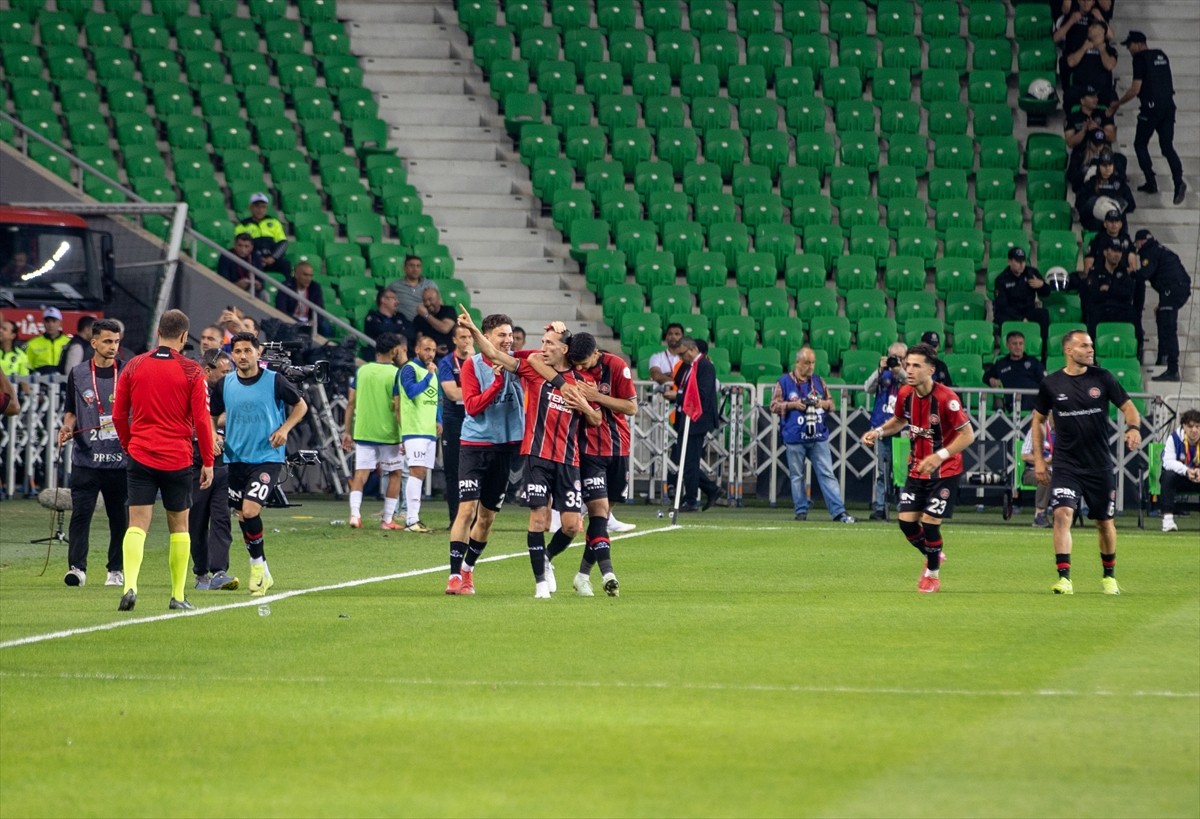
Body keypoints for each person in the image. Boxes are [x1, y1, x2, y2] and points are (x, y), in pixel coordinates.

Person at [458, 314, 601, 598]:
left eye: (549, 342)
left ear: (564, 349)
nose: (542, 347)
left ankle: (546, 558)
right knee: (538, 519)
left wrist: (583, 404)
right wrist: (474, 328)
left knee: (572, 526)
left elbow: (596, 419)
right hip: (536, 455)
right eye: (542, 342)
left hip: (569, 459)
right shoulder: (532, 365)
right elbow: (493, 352)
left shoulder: (582, 380)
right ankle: (539, 586)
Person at [111, 309, 215, 612]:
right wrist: (207, 460)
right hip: (177, 459)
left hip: (141, 455)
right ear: (184, 336)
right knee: (179, 526)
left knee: (137, 524)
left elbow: (118, 414)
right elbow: (201, 418)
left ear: (158, 332)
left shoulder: (134, 365)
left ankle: (130, 585)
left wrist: (130, 445)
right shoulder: (193, 371)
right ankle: (178, 595)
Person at [1032, 330, 1141, 594]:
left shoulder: (1103, 378)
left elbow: (1128, 407)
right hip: (1066, 465)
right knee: (1062, 514)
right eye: (1084, 345)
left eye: (1091, 345)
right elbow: (1038, 419)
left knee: (1104, 522)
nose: (1090, 349)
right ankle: (1064, 578)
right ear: (1069, 350)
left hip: (1099, 465)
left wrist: (1133, 427)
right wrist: (1039, 460)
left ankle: (1109, 576)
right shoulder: (1052, 383)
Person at [862, 343, 976, 593]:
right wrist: (879, 431)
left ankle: (932, 574)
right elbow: (900, 420)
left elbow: (968, 435)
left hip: (945, 471)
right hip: (917, 469)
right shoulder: (905, 393)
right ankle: (934, 554)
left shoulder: (947, 398)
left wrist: (940, 455)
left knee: (931, 522)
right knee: (906, 524)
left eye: (916, 365)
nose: (909, 370)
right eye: (907, 365)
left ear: (931, 370)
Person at [211, 331, 308, 597]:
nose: (242, 356)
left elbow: (301, 406)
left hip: (267, 458)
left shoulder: (275, 381)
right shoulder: (224, 384)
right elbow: (211, 415)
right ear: (232, 355)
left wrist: (285, 429)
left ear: (258, 353)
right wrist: (212, 435)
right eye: (238, 351)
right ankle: (264, 570)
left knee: (251, 510)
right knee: (242, 514)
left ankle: (255, 567)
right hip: (234, 458)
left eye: (247, 350)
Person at [443, 313, 525, 595]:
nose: (508, 340)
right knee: (467, 509)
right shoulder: (472, 365)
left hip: (504, 448)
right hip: (474, 445)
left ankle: (468, 570)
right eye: (502, 335)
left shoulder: (518, 363)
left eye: (511, 335)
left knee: (487, 517)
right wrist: (496, 386)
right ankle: (454, 575)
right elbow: (473, 407)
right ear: (486, 337)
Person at [563, 332, 638, 597]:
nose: (580, 368)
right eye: (576, 363)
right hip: (587, 451)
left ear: (596, 353)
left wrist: (596, 396)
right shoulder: (571, 366)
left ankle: (582, 575)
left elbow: (630, 408)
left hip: (618, 449)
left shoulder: (616, 366)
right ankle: (608, 573)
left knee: (602, 518)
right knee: (599, 510)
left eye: (584, 363)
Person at [57, 318, 127, 588]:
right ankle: (77, 568)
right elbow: (71, 410)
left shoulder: (128, 372)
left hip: (119, 459)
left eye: (116, 341)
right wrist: (66, 426)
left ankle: (116, 569)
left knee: (119, 517)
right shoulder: (78, 373)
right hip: (86, 458)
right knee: (81, 514)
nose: (113, 347)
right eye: (107, 341)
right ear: (94, 342)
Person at [770, 347, 856, 524]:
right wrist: (793, 405)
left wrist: (821, 403)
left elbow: (832, 405)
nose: (810, 367)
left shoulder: (818, 381)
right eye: (807, 363)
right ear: (798, 363)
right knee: (797, 476)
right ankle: (801, 511)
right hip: (795, 436)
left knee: (827, 474)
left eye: (813, 362)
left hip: (818, 436)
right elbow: (773, 406)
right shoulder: (784, 382)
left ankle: (838, 512)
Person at [1110, 31, 1186, 204]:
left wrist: (1117, 104)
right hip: (1168, 106)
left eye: (1129, 46)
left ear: (1138, 43)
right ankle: (1178, 181)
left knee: (1140, 143)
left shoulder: (1140, 59)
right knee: (1167, 147)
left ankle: (1151, 181)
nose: (1129, 50)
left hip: (1151, 109)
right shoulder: (1161, 55)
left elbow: (1135, 89)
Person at [342, 333, 405, 530]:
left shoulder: (362, 371)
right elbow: (397, 408)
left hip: (363, 430)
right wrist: (404, 436)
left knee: (361, 473)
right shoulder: (396, 373)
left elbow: (350, 402)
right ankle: (387, 519)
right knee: (395, 473)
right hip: (389, 433)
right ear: (394, 350)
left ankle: (354, 514)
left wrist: (347, 431)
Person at [190, 349, 239, 592]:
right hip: (196, 464)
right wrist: (205, 440)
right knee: (197, 520)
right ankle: (200, 572)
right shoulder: (191, 390)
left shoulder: (231, 392)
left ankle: (219, 570)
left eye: (230, 372)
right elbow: (186, 424)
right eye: (224, 372)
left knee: (221, 518)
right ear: (208, 371)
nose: (229, 376)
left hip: (222, 465)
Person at [665, 337, 722, 512]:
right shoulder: (689, 367)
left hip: (697, 419)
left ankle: (693, 498)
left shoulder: (705, 367)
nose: (681, 357)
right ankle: (705, 492)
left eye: (683, 353)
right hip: (687, 417)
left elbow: (702, 395)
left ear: (692, 349)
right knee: (685, 460)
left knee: (689, 460)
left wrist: (678, 397)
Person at [397, 334, 441, 533]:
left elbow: (435, 397)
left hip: (428, 431)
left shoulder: (431, 370)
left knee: (421, 473)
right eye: (427, 350)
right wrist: (429, 376)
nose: (430, 354)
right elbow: (411, 391)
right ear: (417, 350)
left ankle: (414, 517)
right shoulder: (409, 369)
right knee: (415, 472)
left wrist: (438, 420)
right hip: (414, 429)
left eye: (433, 350)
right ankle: (410, 520)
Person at [1134, 229, 1191, 382]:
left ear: (1140, 242)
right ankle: (1163, 358)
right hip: (1177, 288)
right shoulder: (1159, 249)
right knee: (1162, 318)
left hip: (1171, 290)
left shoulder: (1149, 251)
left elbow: (1146, 273)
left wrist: (1130, 274)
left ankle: (1172, 368)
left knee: (1168, 327)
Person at [865, 341, 907, 520]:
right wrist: (879, 370)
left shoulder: (909, 375)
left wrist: (900, 371)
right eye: (893, 357)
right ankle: (881, 507)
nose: (896, 361)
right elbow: (867, 388)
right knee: (882, 471)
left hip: (903, 429)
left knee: (902, 472)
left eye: (900, 358)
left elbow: (915, 386)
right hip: (883, 427)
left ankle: (903, 508)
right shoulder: (884, 375)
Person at [439, 324, 473, 527]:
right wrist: (476, 395)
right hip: (454, 422)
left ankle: (475, 519)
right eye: (462, 337)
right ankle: (455, 519)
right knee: (453, 472)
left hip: (476, 422)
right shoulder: (446, 363)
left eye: (469, 337)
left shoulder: (479, 361)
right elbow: (451, 393)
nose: (466, 341)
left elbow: (487, 386)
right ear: (454, 340)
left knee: (476, 472)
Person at [992, 247, 1050, 349]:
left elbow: (1046, 293)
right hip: (1010, 313)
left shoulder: (1031, 273)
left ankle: (1042, 350)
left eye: (1023, 261)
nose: (1021, 264)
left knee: (1043, 314)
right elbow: (1003, 305)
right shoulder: (1002, 279)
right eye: (1018, 261)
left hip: (1027, 310)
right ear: (1009, 261)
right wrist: (1021, 319)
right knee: (1002, 317)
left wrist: (1042, 285)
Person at [1088, 236, 1138, 343]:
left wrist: (1109, 289)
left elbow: (1127, 295)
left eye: (1119, 251)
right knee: (1092, 316)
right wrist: (1116, 292)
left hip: (1120, 309)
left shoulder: (1124, 273)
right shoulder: (1095, 272)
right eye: (1114, 250)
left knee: (1133, 315)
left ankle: (1136, 352)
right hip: (1102, 309)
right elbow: (1094, 295)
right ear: (1105, 252)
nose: (1117, 255)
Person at [1076, 150, 1136, 232]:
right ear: (1099, 166)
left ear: (1113, 166)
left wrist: (1117, 205)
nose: (1107, 168)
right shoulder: (1091, 183)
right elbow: (1080, 204)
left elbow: (1131, 205)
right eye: (1104, 165)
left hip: (1117, 224)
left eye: (1110, 165)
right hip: (1096, 223)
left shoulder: (1120, 184)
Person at [1160, 409, 1200, 533]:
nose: (1194, 430)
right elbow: (1167, 462)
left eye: (1198, 426)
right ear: (1183, 426)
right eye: (1190, 426)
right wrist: (1186, 470)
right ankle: (1168, 520)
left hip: (1198, 478)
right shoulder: (1174, 438)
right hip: (1181, 478)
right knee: (1167, 475)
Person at [233, 192, 291, 278]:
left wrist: (273, 258)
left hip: (272, 259)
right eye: (257, 206)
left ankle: (289, 289)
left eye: (263, 207)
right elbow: (241, 248)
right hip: (253, 260)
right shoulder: (242, 226)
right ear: (251, 207)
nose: (260, 210)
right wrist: (258, 259)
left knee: (287, 265)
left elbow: (283, 243)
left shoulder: (274, 223)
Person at [985, 331, 1046, 412]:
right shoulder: (1001, 364)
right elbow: (986, 377)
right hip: (1012, 404)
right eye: (1014, 344)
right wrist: (991, 379)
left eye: (1021, 344)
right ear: (1007, 345)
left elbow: (1044, 382)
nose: (1018, 347)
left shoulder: (1034, 362)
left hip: (1033, 406)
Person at [1064, 19, 1117, 104]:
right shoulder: (1079, 45)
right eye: (1090, 26)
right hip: (1081, 87)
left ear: (1102, 31)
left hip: (1101, 89)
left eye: (1094, 26)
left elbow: (1109, 66)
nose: (1090, 28)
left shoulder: (1109, 50)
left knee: (1113, 99)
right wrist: (1083, 48)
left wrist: (1102, 50)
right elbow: (1071, 62)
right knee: (1069, 95)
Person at [274, 260, 331, 336]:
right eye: (305, 275)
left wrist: (314, 321)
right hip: (292, 319)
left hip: (309, 320)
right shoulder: (287, 286)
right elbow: (281, 309)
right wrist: (300, 323)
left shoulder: (315, 287)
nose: (308, 279)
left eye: (311, 275)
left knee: (325, 326)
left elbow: (319, 309)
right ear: (296, 275)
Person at [1021, 415, 1055, 528]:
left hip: (1058, 471)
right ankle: (1039, 514)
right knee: (1045, 477)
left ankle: (1062, 515)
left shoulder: (1065, 431)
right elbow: (1025, 456)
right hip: (1033, 471)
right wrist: (1043, 461)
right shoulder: (1036, 430)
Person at [363, 287, 413, 356]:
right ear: (384, 300)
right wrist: (401, 328)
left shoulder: (400, 316)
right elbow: (381, 330)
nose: (398, 302)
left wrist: (394, 331)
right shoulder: (372, 317)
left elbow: (411, 332)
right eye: (394, 299)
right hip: (380, 356)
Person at [1082, 209, 1136, 273]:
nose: (1114, 224)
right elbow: (1088, 265)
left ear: (1121, 224)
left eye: (1116, 221)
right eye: (1111, 221)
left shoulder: (1126, 239)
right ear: (1105, 224)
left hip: (1122, 277)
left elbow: (1133, 266)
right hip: (1101, 276)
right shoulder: (1098, 239)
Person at [387, 255, 436, 322]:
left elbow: (439, 305)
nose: (415, 269)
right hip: (405, 325)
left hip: (427, 323)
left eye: (418, 266)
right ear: (404, 268)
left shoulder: (430, 285)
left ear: (421, 269)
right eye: (411, 266)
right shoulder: (394, 286)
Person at [217, 232, 266, 298]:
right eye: (240, 245)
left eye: (246, 246)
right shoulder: (226, 256)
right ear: (234, 245)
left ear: (251, 247)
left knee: (264, 294)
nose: (243, 249)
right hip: (231, 289)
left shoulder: (255, 257)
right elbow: (223, 279)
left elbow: (262, 280)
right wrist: (236, 285)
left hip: (251, 288)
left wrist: (258, 285)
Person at [412, 286, 457, 357]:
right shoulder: (419, 318)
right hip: (430, 356)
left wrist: (426, 315)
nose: (427, 303)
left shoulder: (448, 310)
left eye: (430, 299)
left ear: (438, 299)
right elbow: (419, 342)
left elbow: (445, 328)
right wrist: (434, 350)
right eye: (424, 301)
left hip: (451, 354)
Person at [25, 307, 71, 374]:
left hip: (63, 380)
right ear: (43, 323)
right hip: (39, 381)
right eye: (47, 321)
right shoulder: (32, 343)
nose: (51, 325)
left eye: (54, 321)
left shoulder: (69, 342)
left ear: (60, 323)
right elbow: (28, 368)